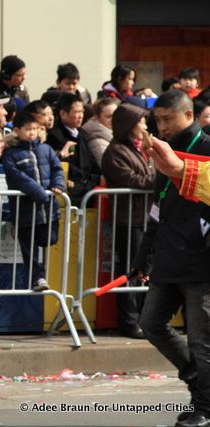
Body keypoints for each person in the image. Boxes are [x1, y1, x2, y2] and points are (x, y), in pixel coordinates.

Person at [133, 90, 210, 427]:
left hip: (202, 259)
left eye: (168, 119)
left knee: (201, 338)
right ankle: (195, 376)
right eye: (157, 120)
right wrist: (142, 257)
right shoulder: (163, 153)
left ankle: (205, 407)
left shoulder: (206, 148)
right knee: (150, 323)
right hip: (168, 256)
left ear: (189, 116)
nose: (161, 126)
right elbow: (157, 210)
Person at [100, 103, 154, 339]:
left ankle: (146, 319)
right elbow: (132, 179)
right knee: (131, 271)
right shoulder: (115, 151)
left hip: (147, 217)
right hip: (128, 219)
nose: (144, 126)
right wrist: (159, 176)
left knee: (147, 271)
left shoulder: (144, 148)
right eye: (140, 122)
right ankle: (130, 321)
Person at [2, 112, 65, 292]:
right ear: (17, 131)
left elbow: (56, 168)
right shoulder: (12, 154)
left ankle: (40, 274)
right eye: (28, 129)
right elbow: (16, 177)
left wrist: (58, 184)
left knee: (49, 239)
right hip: (25, 211)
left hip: (48, 209)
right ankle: (38, 278)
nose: (32, 133)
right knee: (29, 248)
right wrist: (38, 192)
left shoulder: (46, 149)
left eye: (35, 129)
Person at [46, 92, 101, 207]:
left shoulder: (82, 134)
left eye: (82, 111)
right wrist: (93, 179)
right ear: (63, 113)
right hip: (70, 193)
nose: (81, 116)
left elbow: (92, 162)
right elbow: (67, 167)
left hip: (86, 190)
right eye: (76, 112)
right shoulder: (55, 136)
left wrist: (99, 177)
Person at [82, 97, 120, 168]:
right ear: (97, 117)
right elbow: (110, 169)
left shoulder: (117, 135)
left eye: (116, 114)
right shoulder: (98, 143)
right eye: (109, 116)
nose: (114, 118)